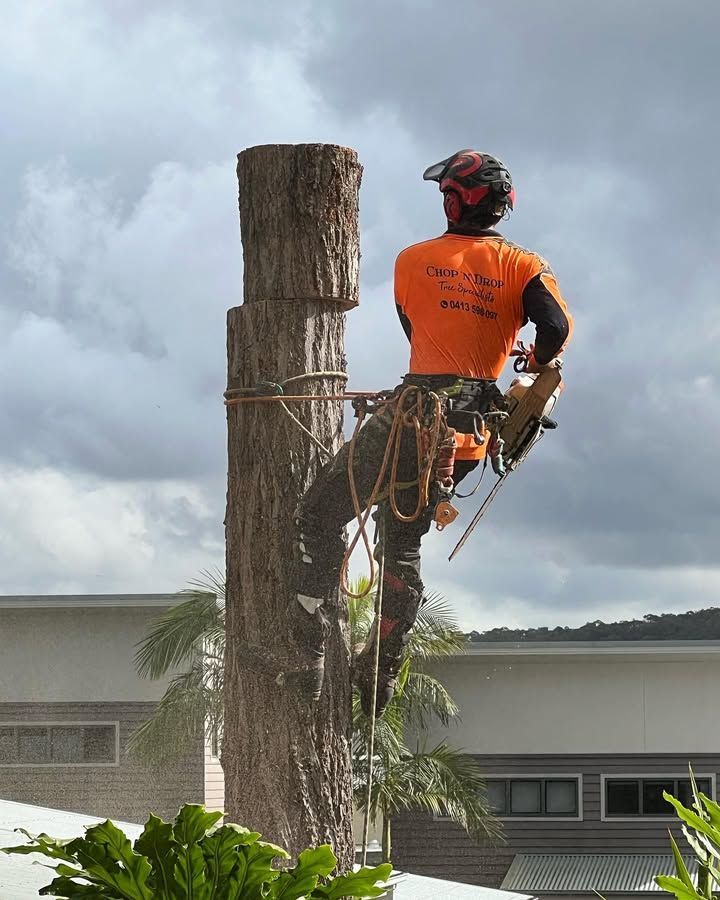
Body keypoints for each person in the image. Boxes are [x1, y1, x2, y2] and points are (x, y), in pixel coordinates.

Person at [293, 149, 573, 715]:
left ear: (453, 199)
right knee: (403, 541)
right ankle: (382, 669)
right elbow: (556, 327)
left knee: (316, 519)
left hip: (411, 418)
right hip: (468, 438)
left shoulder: (412, 259)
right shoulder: (525, 264)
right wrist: (530, 357)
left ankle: (309, 661)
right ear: (501, 205)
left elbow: (411, 325)